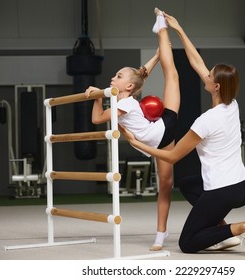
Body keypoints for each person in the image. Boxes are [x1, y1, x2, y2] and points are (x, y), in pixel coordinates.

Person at [119, 10, 245, 258]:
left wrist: (136, 142)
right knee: (188, 184)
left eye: (209, 76)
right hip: (242, 185)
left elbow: (172, 156)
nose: (204, 75)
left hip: (223, 189)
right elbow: (196, 60)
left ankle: (243, 227)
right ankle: (221, 231)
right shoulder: (232, 104)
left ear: (215, 86)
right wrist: (179, 29)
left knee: (188, 242)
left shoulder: (206, 121)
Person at [85, 8, 180, 251]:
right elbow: (139, 76)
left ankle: (161, 27)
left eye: (117, 76)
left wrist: (98, 96)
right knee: (165, 184)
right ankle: (160, 35)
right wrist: (99, 95)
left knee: (172, 77)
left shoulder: (125, 103)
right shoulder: (123, 99)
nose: (112, 78)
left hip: (164, 128)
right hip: (160, 137)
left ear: (126, 86)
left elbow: (97, 118)